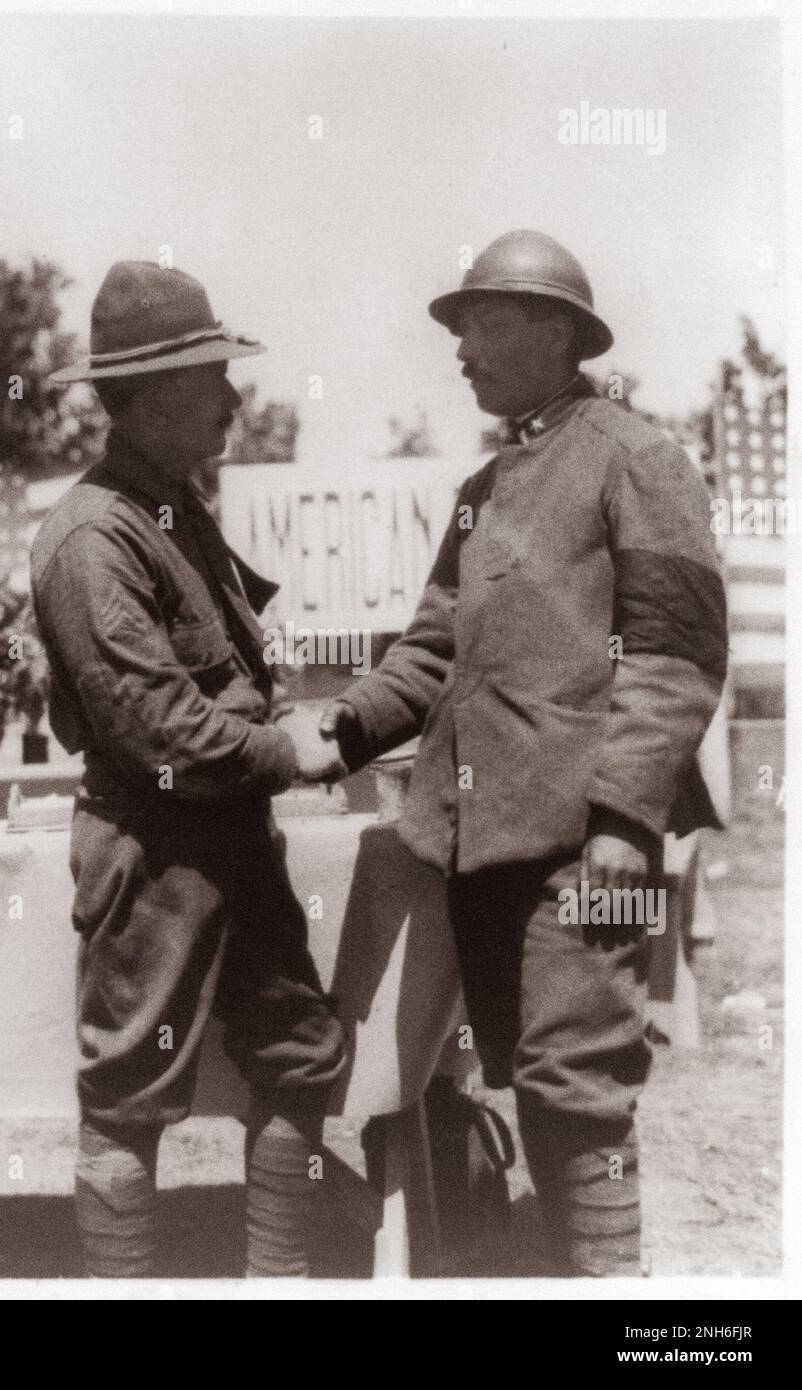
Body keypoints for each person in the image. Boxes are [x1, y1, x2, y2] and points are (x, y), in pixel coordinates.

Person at [319, 230, 727, 1276]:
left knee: (578, 1078)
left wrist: (627, 826)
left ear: (556, 332)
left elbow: (676, 655)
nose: (460, 349)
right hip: (483, 846)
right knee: (524, 1078)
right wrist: (342, 724)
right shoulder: (482, 487)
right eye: (457, 328)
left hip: (594, 845)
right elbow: (428, 653)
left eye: (482, 324)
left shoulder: (638, 456)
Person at [31, 261, 347, 1278]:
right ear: (160, 389)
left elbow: (223, 679)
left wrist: (274, 718)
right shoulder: (93, 535)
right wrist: (284, 751)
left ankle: (277, 1282)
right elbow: (157, 729)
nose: (234, 397)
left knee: (299, 1058)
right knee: (128, 1096)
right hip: (152, 853)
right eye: (215, 374)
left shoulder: (171, 509)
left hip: (234, 842)